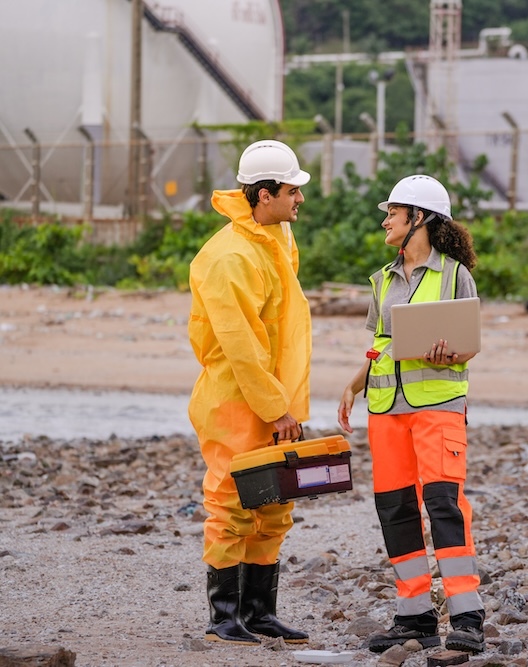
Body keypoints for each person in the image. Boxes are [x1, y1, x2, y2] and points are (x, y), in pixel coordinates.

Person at [337, 174, 487, 654]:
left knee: (444, 505)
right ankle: (415, 617)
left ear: (417, 218)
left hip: (438, 410)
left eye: (393, 213)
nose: (385, 221)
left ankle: (466, 617)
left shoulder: (453, 274)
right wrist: (353, 384)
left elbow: (467, 345)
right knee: (396, 511)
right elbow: (381, 344)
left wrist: (452, 352)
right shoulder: (383, 279)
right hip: (386, 412)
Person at [187, 139, 313, 646]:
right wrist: (277, 406)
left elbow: (280, 332)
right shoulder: (229, 256)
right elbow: (241, 347)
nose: (299, 198)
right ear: (264, 194)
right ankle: (223, 617)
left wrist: (287, 406)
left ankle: (259, 613)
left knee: (275, 502)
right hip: (236, 401)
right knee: (230, 503)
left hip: (276, 399)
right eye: (292, 189)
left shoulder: (274, 237)